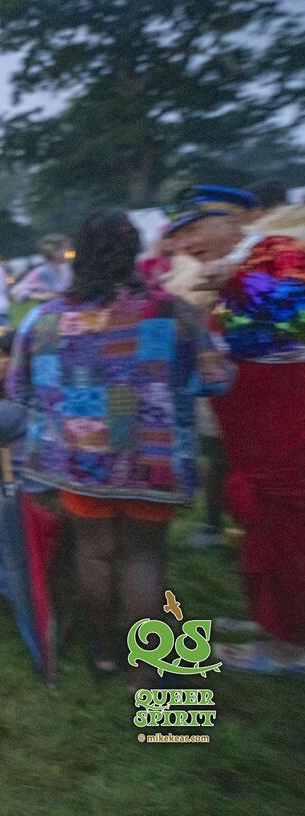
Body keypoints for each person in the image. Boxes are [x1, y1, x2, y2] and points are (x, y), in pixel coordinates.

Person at [7, 209, 234, 686]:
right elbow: (217, 379)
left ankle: (106, 653)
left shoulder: (44, 320)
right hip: (153, 461)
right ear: (134, 253)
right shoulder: (173, 312)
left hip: (81, 462)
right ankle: (144, 671)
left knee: (93, 553)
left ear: (80, 256)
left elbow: (17, 389)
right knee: (143, 558)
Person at [165, 185, 305, 671]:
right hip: (252, 430)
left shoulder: (276, 251)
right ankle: (275, 621)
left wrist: (235, 281)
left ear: (231, 221)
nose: (184, 244)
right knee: (261, 520)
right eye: (178, 235)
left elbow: (294, 317)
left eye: (193, 229)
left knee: (289, 525)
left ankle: (291, 645)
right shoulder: (233, 266)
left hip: (285, 427)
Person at [12, 234, 73, 301]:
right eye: (65, 248)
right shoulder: (42, 272)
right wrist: (39, 296)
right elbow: (16, 291)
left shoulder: (68, 270)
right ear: (53, 252)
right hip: (51, 307)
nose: (69, 251)